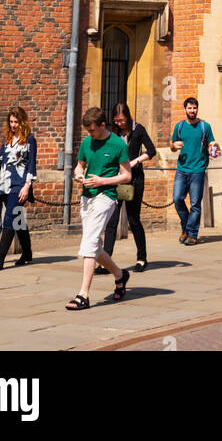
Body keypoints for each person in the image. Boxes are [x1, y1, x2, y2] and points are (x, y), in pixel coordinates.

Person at [66, 106, 133, 310]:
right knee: (95, 246)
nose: (89, 134)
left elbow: (127, 175)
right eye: (87, 131)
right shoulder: (87, 142)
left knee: (89, 242)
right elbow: (80, 165)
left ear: (103, 125)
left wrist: (103, 181)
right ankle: (120, 275)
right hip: (87, 196)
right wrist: (79, 175)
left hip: (107, 196)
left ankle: (83, 294)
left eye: (93, 130)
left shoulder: (117, 144)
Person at [99, 102, 157, 273]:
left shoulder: (138, 129)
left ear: (128, 116)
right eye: (116, 121)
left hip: (133, 180)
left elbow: (151, 150)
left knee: (133, 219)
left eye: (122, 120)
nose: (119, 124)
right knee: (112, 221)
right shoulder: (112, 133)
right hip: (117, 180)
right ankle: (106, 261)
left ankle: (141, 258)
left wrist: (135, 161)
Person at [0, 106, 37, 271]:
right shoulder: (7, 138)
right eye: (11, 122)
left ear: (22, 122)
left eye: (16, 122)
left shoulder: (29, 140)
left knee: (9, 218)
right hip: (6, 184)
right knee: (18, 218)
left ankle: (0, 258)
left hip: (20, 185)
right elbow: (0, 156)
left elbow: (31, 164)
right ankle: (27, 253)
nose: (13, 125)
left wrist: (27, 186)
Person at [170, 96, 219, 246]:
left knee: (195, 204)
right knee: (177, 198)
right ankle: (186, 225)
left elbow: (212, 143)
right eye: (190, 108)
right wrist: (174, 146)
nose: (192, 110)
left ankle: (192, 234)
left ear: (197, 109)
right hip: (182, 169)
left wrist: (214, 147)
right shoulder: (179, 126)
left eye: (194, 108)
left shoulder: (205, 127)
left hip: (198, 170)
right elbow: (172, 145)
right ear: (185, 109)